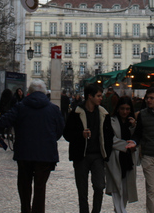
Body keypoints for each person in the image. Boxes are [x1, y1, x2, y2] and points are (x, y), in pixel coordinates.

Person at [0, 79, 65, 213]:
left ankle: (25, 209)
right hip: (45, 154)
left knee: (24, 185)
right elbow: (60, 130)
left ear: (29, 92)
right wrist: (49, 140)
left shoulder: (20, 107)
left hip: (24, 152)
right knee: (40, 187)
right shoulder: (53, 109)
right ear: (44, 93)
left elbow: (3, 121)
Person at [64, 83, 114, 213]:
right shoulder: (76, 113)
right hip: (81, 155)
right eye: (98, 96)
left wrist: (106, 153)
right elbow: (67, 133)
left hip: (98, 155)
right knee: (82, 190)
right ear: (89, 96)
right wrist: (80, 135)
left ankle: (96, 211)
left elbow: (109, 135)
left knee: (99, 186)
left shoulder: (103, 113)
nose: (100, 98)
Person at [105, 96, 138, 213]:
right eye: (122, 108)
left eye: (127, 109)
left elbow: (137, 138)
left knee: (125, 188)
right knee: (116, 187)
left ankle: (120, 210)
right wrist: (127, 145)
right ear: (118, 108)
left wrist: (134, 127)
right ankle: (121, 211)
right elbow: (110, 139)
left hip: (128, 159)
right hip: (115, 158)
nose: (125, 111)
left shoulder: (132, 123)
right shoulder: (110, 120)